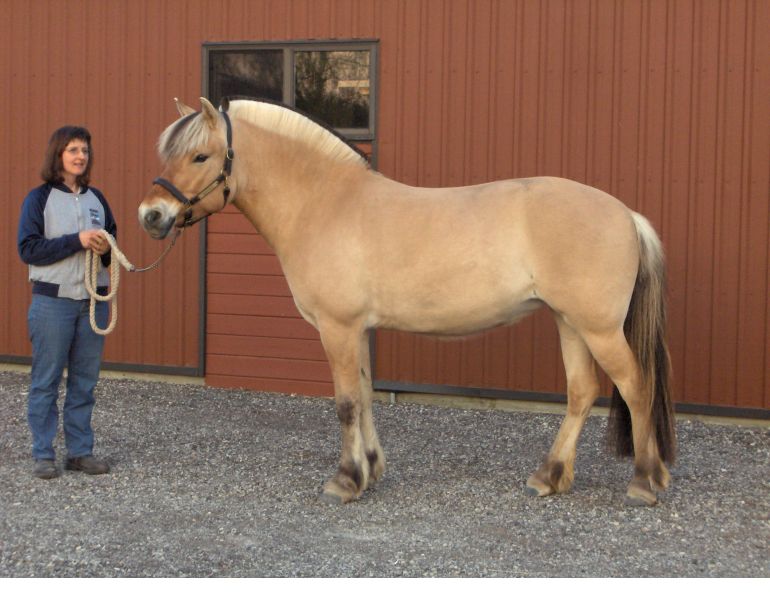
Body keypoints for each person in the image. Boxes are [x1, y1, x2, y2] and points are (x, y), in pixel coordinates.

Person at [17, 126, 117, 479]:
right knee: (46, 381)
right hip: (53, 303)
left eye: (85, 151)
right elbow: (28, 249)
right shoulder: (39, 199)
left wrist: (106, 250)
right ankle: (43, 454)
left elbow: (112, 249)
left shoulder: (97, 200)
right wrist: (77, 240)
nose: (80, 156)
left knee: (84, 383)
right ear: (58, 155)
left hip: (92, 302)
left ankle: (79, 452)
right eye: (73, 150)